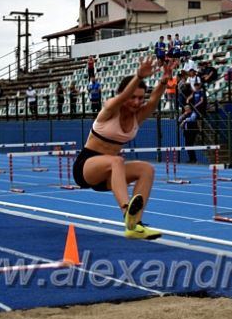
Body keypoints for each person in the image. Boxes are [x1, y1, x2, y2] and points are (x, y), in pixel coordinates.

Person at [72, 56, 178, 239]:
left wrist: (164, 79)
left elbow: (153, 101)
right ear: (124, 94)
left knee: (146, 169)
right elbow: (122, 97)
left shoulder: (139, 115)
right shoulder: (110, 109)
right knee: (116, 160)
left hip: (111, 175)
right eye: (133, 97)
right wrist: (138, 76)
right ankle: (127, 211)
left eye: (140, 98)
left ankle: (134, 225)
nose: (137, 102)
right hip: (86, 167)